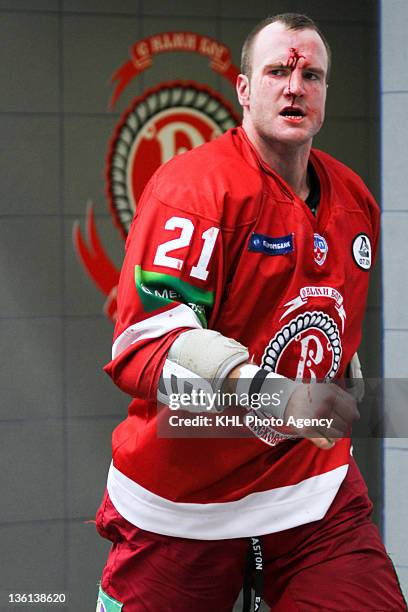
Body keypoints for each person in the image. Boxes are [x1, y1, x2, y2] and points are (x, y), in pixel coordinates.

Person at [95, 13, 407, 612]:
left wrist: (337, 372)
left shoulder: (353, 199)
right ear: (244, 89)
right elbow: (144, 346)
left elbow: (313, 312)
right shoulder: (192, 189)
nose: (296, 86)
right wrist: (270, 394)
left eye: (311, 74)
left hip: (311, 493)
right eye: (279, 71)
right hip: (184, 503)